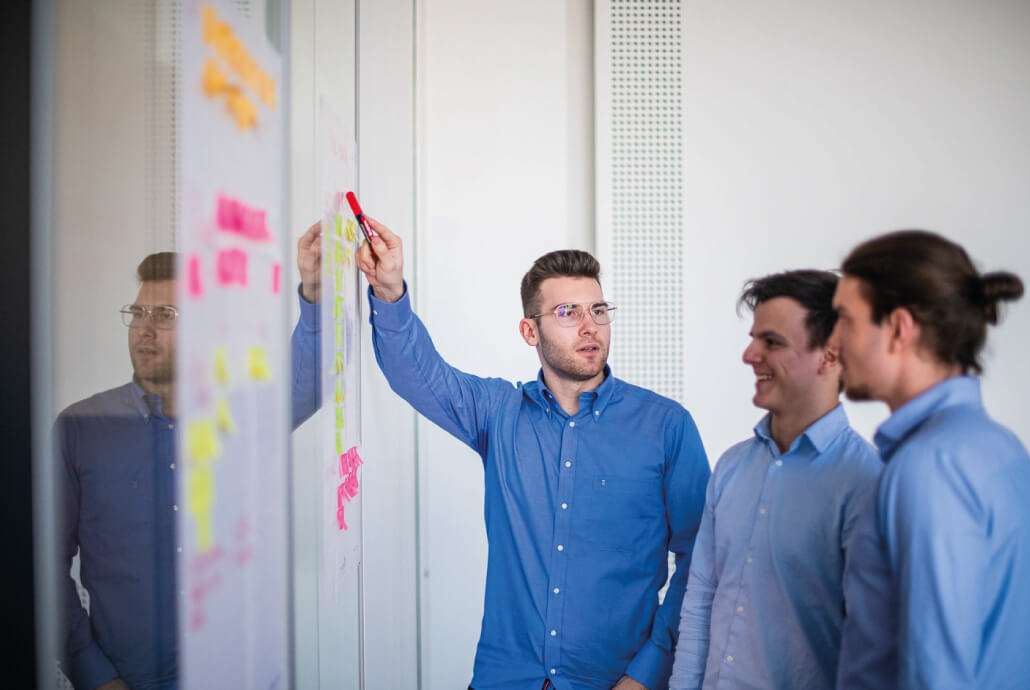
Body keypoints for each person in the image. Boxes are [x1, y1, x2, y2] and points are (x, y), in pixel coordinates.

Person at [349, 217, 711, 690]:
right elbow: (416, 374)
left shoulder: (666, 427)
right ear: (529, 331)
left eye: (598, 310)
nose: (590, 327)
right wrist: (390, 292)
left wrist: (647, 674)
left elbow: (702, 560)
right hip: (506, 677)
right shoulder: (499, 414)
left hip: (616, 682)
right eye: (567, 312)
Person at [58, 247, 321, 690]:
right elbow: (41, 567)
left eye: (165, 314)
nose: (144, 329)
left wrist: (313, 293)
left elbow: (308, 382)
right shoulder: (82, 428)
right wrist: (95, 675)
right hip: (125, 680)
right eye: (138, 312)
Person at [832, 230, 1030, 689]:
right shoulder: (1001, 447)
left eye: (845, 319)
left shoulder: (929, 466)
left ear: (900, 328)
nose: (835, 340)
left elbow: (936, 675)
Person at [668, 271, 881, 690]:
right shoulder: (731, 469)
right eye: (753, 339)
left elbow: (871, 651)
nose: (750, 355)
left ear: (831, 355)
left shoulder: (865, 484)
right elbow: (700, 603)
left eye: (772, 342)